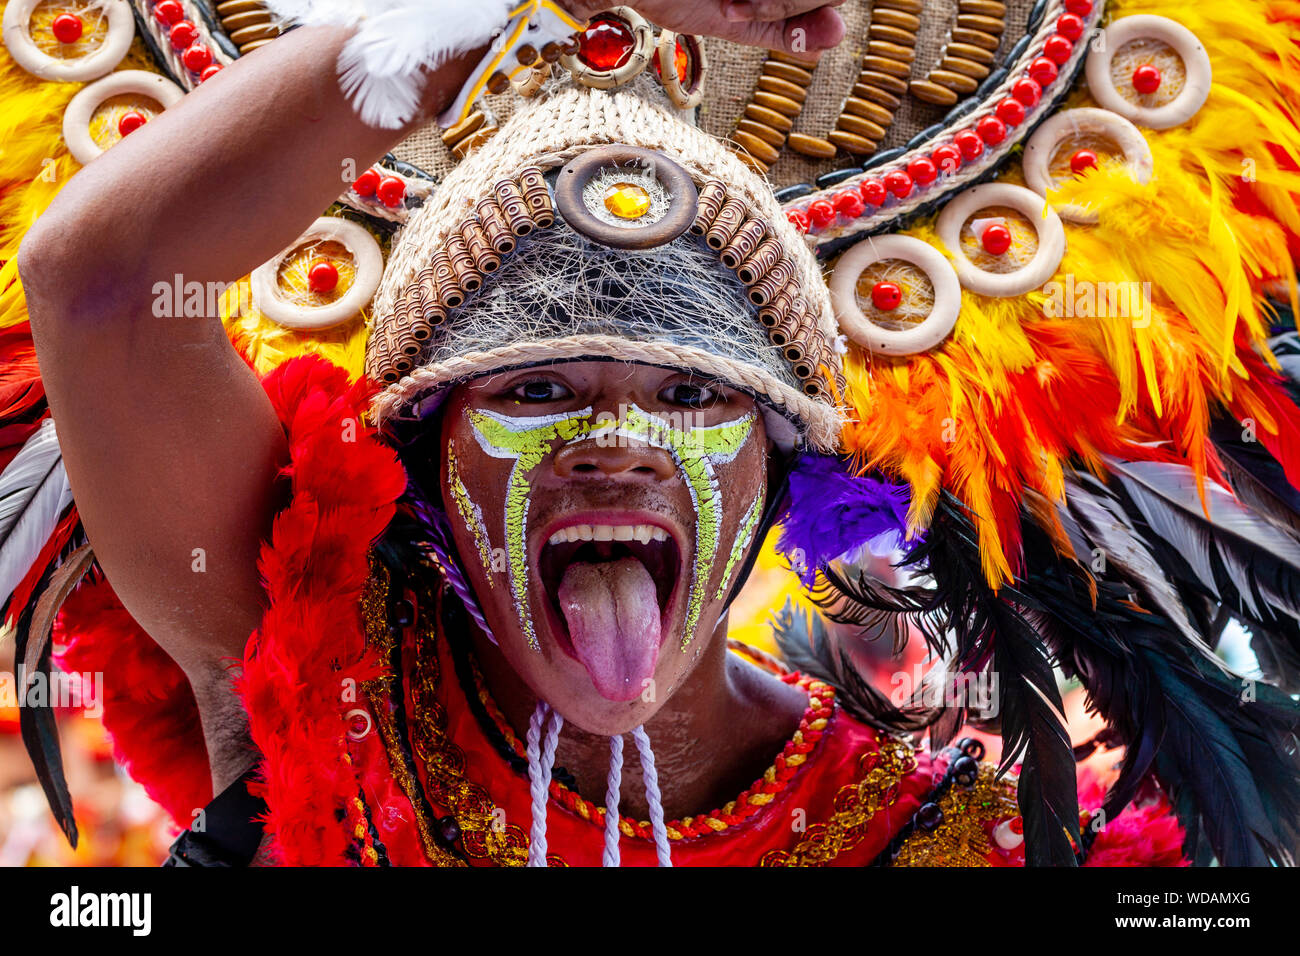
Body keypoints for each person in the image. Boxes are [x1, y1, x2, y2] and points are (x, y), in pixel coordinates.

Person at [5, 0, 1300, 866]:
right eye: (536, 389)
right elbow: (98, 283)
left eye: (693, 396)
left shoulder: (942, 839)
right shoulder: (333, 665)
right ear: (425, 462)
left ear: (777, 464)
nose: (616, 440)